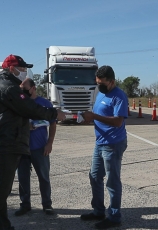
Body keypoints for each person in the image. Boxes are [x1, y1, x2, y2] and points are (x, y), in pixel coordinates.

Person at [0, 54, 66, 230]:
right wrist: (54, 114)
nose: (24, 73)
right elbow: (29, 108)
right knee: (3, 191)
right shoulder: (8, 88)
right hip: (7, 146)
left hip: (17, 145)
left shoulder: (10, 87)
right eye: (21, 69)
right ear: (11, 69)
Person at [80, 65, 128, 229]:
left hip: (113, 144)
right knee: (94, 177)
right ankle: (98, 211)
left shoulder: (119, 96)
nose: (99, 85)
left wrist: (94, 116)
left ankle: (114, 217)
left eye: (102, 83)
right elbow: (100, 116)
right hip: (100, 143)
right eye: (97, 82)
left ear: (112, 81)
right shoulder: (102, 93)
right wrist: (90, 117)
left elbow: (117, 121)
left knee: (112, 181)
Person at [14, 78, 56, 216]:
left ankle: (47, 205)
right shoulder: (20, 104)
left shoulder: (44, 103)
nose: (23, 91)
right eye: (21, 88)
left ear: (33, 88)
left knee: (43, 177)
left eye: (25, 88)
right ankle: (25, 205)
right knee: (23, 178)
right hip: (23, 148)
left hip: (40, 148)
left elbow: (53, 124)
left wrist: (49, 143)